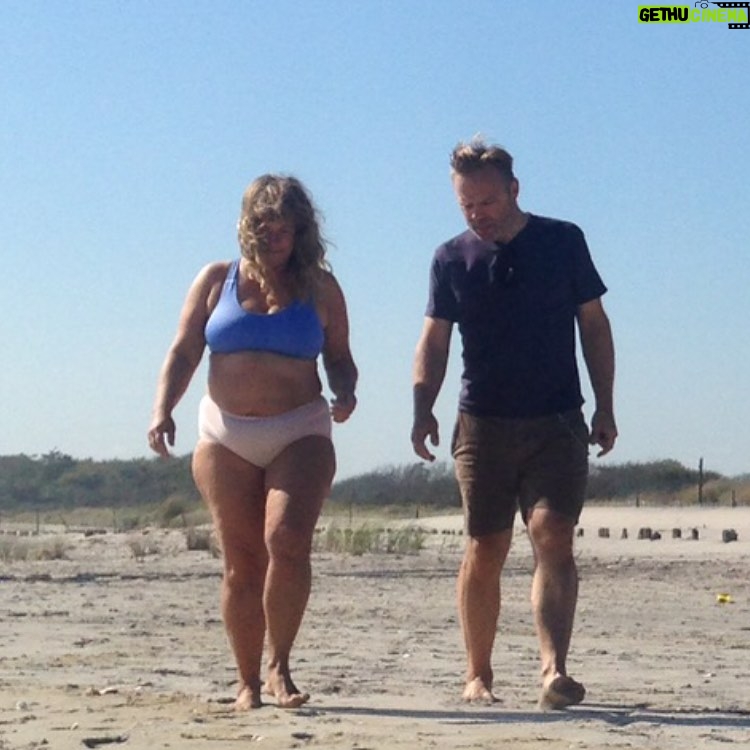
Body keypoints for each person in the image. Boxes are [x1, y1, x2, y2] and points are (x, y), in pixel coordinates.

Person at [411, 138, 617, 710]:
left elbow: (594, 325)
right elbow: (434, 339)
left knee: (552, 532)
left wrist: (605, 403)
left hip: (557, 418)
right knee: (486, 545)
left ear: (514, 190)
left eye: (487, 202)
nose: (477, 214)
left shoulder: (562, 241)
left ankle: (554, 670)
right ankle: (477, 674)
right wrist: (422, 406)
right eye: (466, 205)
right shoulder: (450, 258)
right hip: (482, 423)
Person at [147, 174, 357, 710]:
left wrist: (346, 390)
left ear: (301, 230)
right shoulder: (216, 279)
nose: (273, 236)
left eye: (283, 227)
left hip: (300, 429)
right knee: (242, 561)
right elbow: (184, 350)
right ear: (248, 226)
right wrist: (162, 409)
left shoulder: (321, 288)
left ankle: (279, 665)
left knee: (287, 541)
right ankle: (247, 682)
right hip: (226, 433)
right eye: (263, 225)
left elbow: (339, 357)